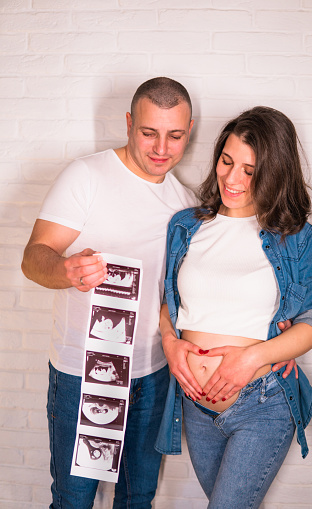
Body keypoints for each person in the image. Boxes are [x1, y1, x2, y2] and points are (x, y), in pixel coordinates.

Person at [21, 77, 197, 509]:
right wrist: (65, 270)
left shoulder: (187, 203)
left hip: (153, 377)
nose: (161, 148)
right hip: (84, 375)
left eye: (174, 135)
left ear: (188, 130)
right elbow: (33, 257)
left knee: (138, 499)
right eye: (148, 132)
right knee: (74, 500)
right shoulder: (87, 175)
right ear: (128, 123)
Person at [156, 106, 312, 508]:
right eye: (227, 161)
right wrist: (170, 341)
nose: (232, 179)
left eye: (250, 171)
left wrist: (252, 357)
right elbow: (169, 301)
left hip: (261, 404)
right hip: (196, 407)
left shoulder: (295, 238)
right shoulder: (185, 227)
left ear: (274, 173)